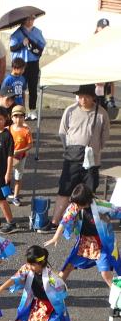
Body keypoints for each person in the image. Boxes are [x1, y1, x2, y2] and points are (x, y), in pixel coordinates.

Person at [40, 84, 110, 233]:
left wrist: (95, 150)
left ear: (93, 97)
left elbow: (105, 136)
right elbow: (62, 132)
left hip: (92, 160)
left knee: (89, 192)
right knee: (64, 190)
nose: (83, 99)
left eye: (86, 96)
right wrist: (69, 148)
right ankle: (55, 222)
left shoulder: (101, 113)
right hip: (72, 158)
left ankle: (88, 223)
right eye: (80, 96)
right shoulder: (70, 110)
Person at [43, 183, 121, 287]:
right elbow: (65, 220)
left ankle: (117, 294)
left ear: (86, 201)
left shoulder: (101, 206)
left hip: (101, 244)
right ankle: (56, 289)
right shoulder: (75, 206)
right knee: (69, 265)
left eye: (79, 204)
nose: (76, 206)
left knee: (105, 273)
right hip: (84, 242)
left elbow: (117, 210)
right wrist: (55, 237)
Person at [9, 15, 45, 120]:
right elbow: (12, 48)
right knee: (19, 87)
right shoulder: (17, 33)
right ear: (23, 20)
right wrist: (22, 43)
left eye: (32, 19)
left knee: (33, 87)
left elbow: (41, 46)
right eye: (28, 19)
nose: (30, 21)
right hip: (21, 63)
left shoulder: (37, 32)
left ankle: (33, 110)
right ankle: (20, 110)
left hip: (33, 62)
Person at [8, 105, 33, 206]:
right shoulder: (9, 129)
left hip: (21, 157)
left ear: (24, 117)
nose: (18, 119)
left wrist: (20, 151)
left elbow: (30, 145)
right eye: (16, 116)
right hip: (9, 157)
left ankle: (16, 196)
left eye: (21, 116)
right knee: (6, 175)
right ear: (12, 117)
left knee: (18, 177)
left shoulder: (26, 130)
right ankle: (4, 194)